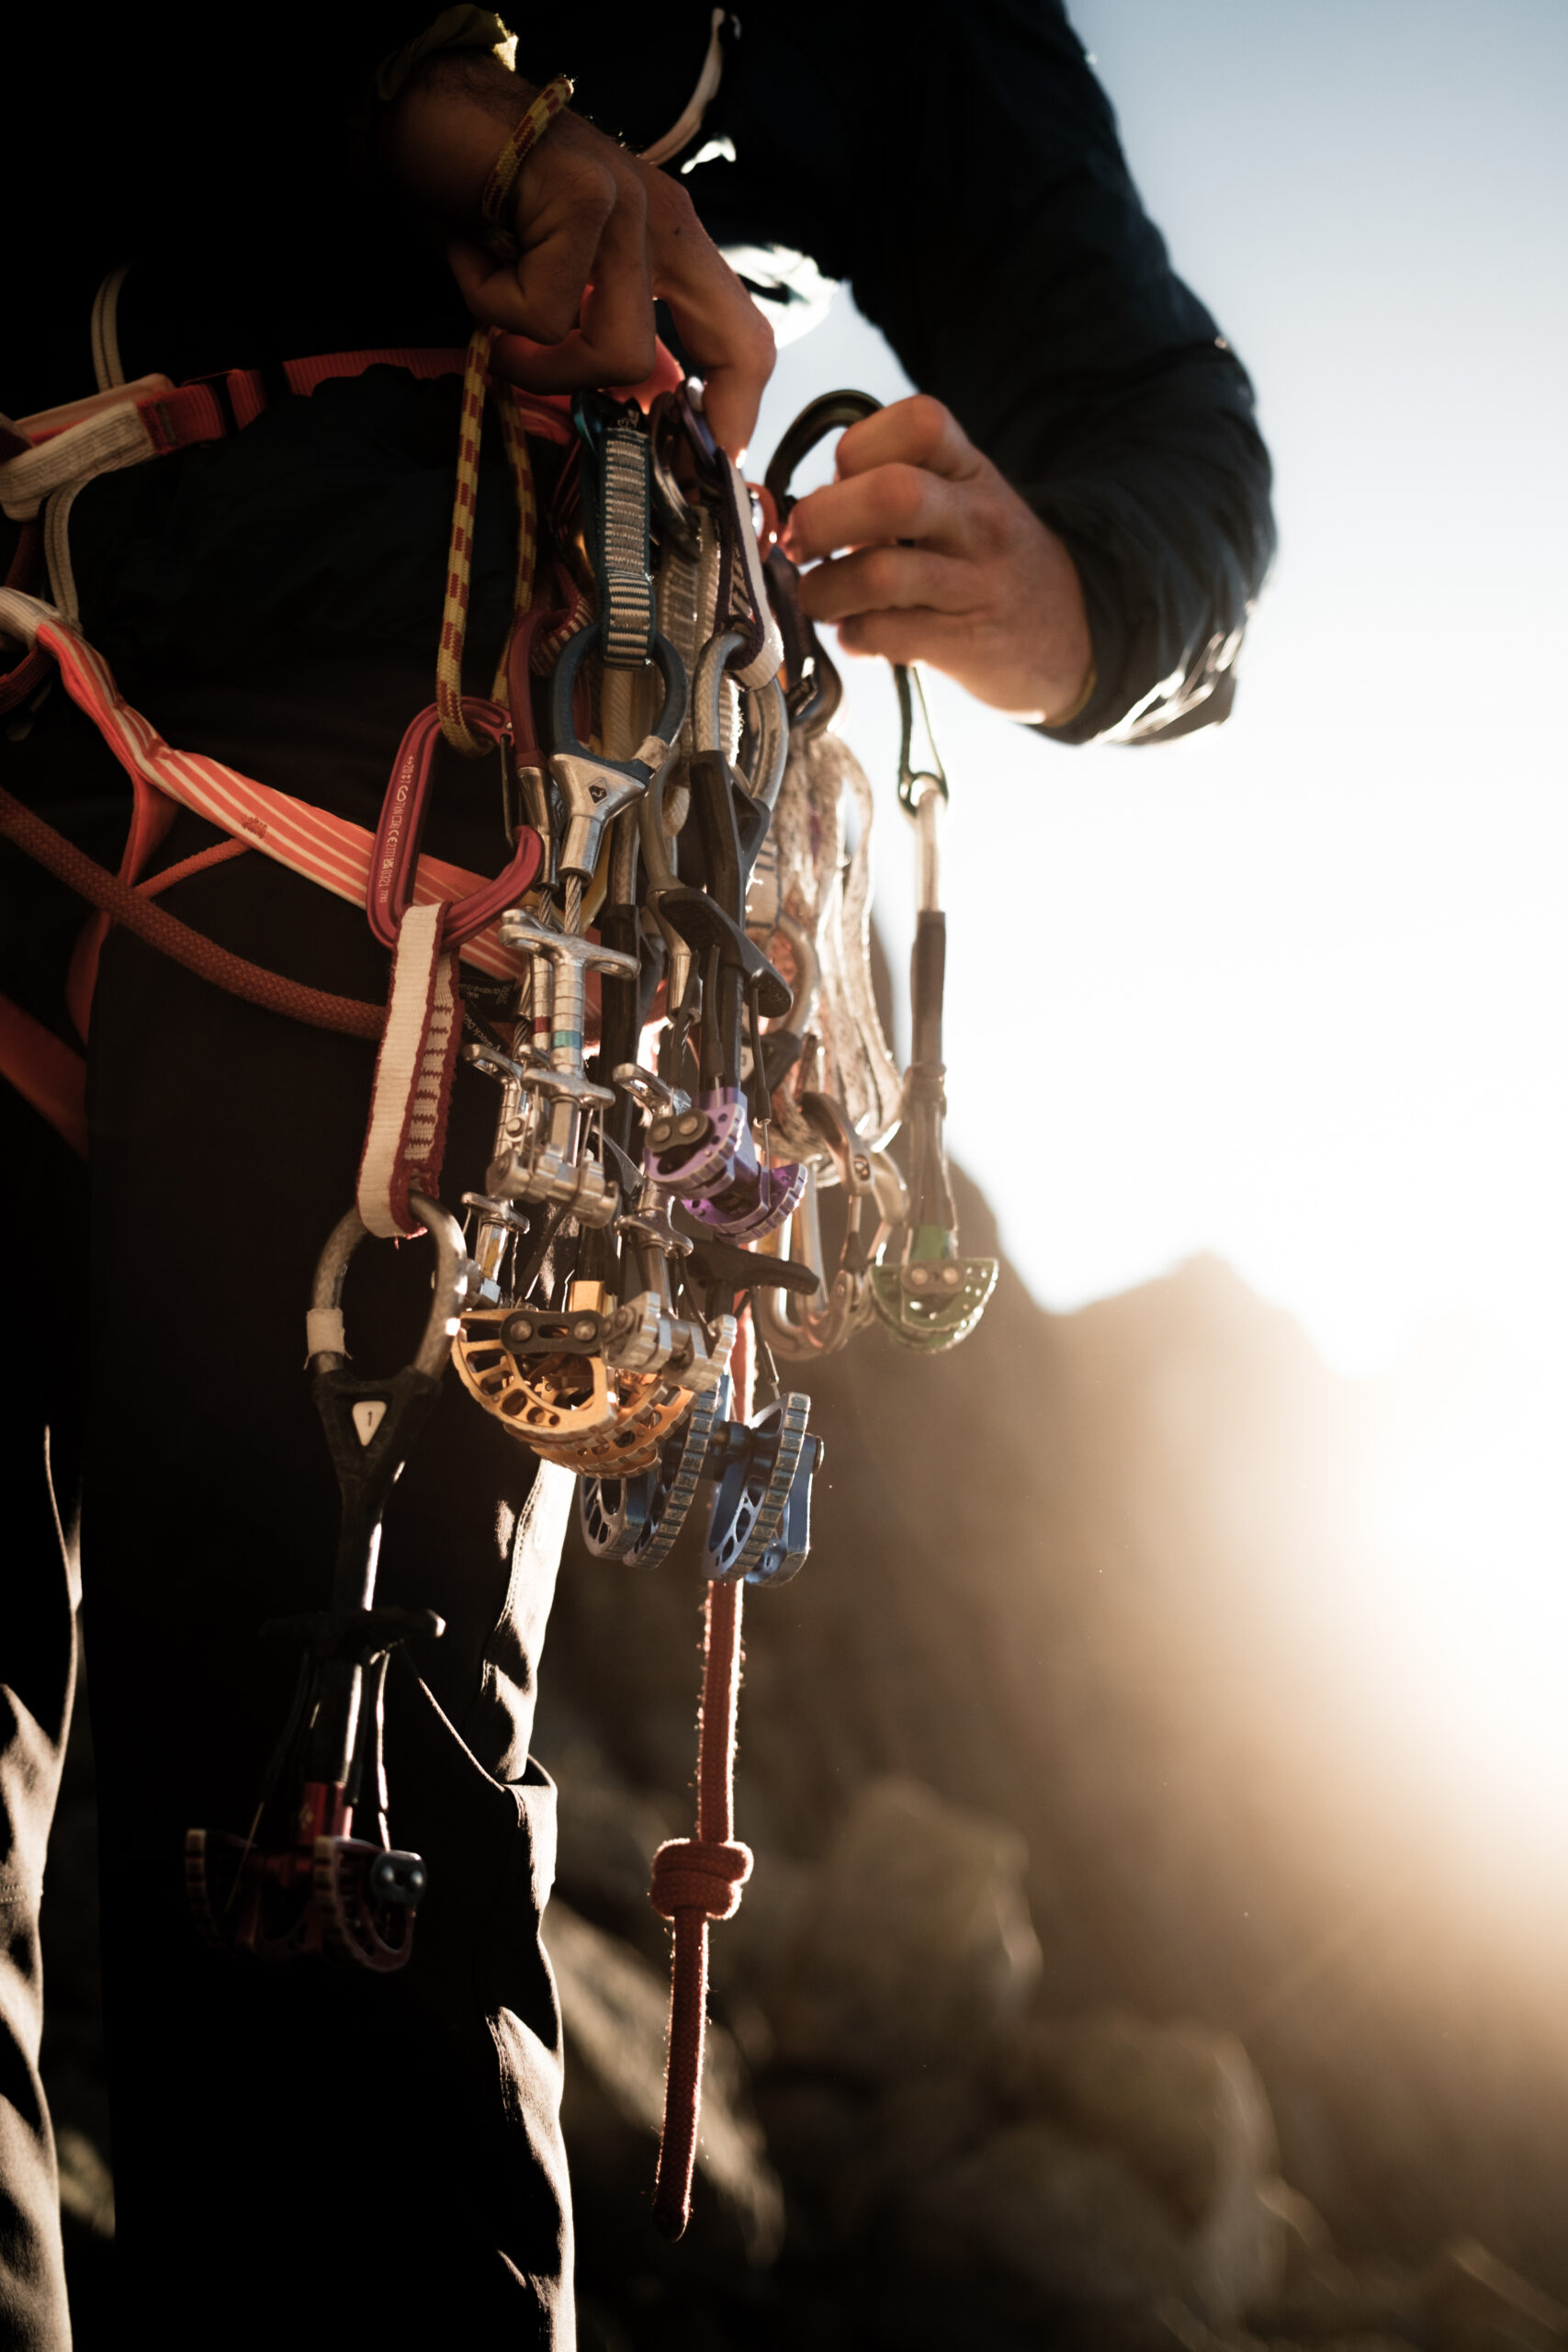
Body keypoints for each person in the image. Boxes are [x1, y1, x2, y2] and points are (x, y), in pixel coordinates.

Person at [0, 6, 1274, 2343]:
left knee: (338, 1896)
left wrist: (1080, 594)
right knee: (342, 1902)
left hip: (428, 907)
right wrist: (421, 111)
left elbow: (1161, 429)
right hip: (357, 829)